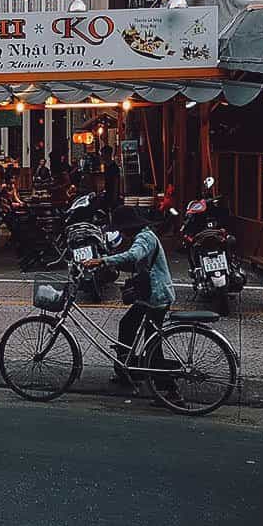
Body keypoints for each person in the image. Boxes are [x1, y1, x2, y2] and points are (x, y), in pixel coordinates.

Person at [83, 208, 177, 392]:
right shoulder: (144, 235)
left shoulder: (144, 238)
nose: (122, 233)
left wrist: (103, 261)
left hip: (157, 296)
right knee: (127, 324)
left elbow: (134, 255)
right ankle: (125, 370)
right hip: (148, 294)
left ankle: (169, 390)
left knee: (152, 345)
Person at [101, 146, 122, 211]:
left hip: (112, 194)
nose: (102, 156)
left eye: (103, 154)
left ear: (108, 154)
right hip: (105, 194)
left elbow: (116, 182)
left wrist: (114, 197)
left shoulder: (114, 167)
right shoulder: (104, 166)